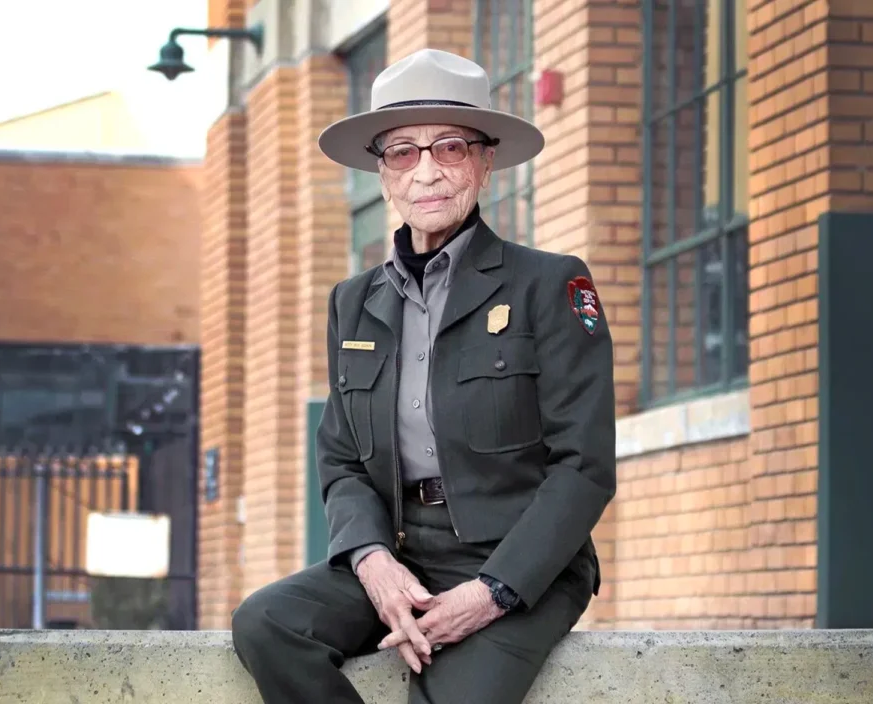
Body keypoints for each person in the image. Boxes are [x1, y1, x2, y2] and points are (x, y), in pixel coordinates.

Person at [229, 48, 617, 704]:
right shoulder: (352, 302)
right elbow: (343, 460)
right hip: (402, 551)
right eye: (404, 152)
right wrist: (373, 562)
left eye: (451, 147)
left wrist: (491, 593)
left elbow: (584, 467)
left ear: (486, 160)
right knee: (268, 624)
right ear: (382, 172)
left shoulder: (549, 284)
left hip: (519, 563)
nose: (427, 171)